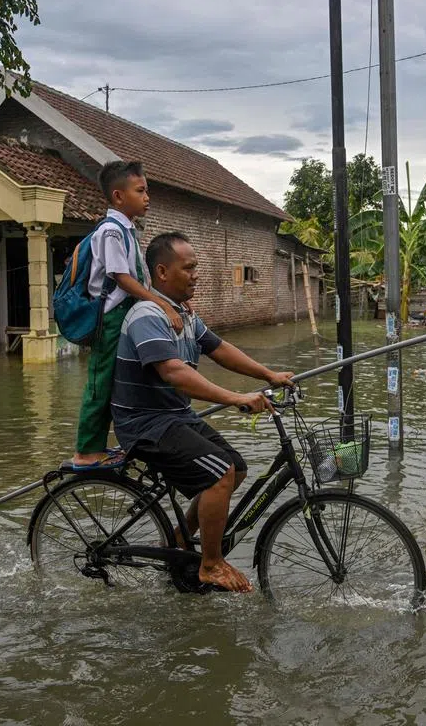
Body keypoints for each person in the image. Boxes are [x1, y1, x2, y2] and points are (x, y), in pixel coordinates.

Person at [112, 232, 294, 592]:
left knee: (236, 468)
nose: (196, 275)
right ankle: (210, 565)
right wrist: (235, 398)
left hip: (173, 416)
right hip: (145, 424)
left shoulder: (185, 315)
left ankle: (178, 541)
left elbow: (219, 349)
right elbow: (174, 373)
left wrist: (268, 374)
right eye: (189, 268)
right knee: (220, 474)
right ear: (162, 272)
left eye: (197, 267)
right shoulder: (147, 314)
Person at [71, 161, 184, 470]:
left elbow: (139, 281)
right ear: (118, 196)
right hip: (109, 317)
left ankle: (112, 441)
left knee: (120, 381)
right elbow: (123, 278)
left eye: (147, 190)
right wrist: (162, 305)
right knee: (101, 380)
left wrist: (168, 302)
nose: (147, 197)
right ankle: (86, 451)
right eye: (141, 191)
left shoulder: (127, 230)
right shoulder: (110, 231)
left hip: (125, 315)